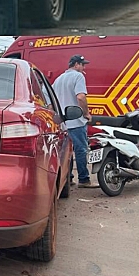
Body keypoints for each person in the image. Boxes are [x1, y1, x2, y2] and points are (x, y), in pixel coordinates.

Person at [52, 55, 97, 189]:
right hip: (76, 122)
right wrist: (86, 113)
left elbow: (49, 100)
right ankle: (84, 179)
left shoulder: (58, 79)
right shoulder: (78, 77)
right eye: (83, 65)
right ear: (76, 64)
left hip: (63, 123)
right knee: (81, 150)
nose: (84, 68)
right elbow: (81, 97)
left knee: (67, 152)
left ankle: (68, 178)